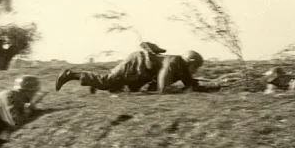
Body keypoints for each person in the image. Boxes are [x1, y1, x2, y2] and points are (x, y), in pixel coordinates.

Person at [55, 49, 218, 94]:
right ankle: (70, 75)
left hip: (139, 73)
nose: (195, 71)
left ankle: (96, 84)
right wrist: (169, 89)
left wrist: (211, 86)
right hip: (136, 64)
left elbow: (190, 83)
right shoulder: (175, 62)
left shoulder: (181, 67)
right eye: (195, 67)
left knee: (123, 89)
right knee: (106, 82)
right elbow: (162, 85)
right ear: (190, 62)